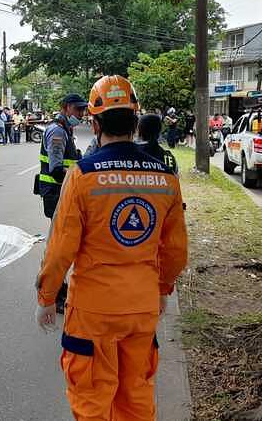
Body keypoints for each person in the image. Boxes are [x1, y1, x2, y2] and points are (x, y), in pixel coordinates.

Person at [35, 75, 188, 421]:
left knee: (91, 399)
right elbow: (176, 250)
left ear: (94, 121)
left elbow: (61, 249)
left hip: (93, 311)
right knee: (136, 395)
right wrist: (163, 289)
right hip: (142, 306)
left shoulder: (84, 175)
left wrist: (46, 298)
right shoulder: (165, 176)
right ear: (135, 120)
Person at [37, 94, 87, 219]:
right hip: (56, 191)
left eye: (83, 110)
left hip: (61, 190)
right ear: (67, 107)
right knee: (61, 234)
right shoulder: (57, 131)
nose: (81, 113)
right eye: (78, 109)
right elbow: (56, 170)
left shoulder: (65, 129)